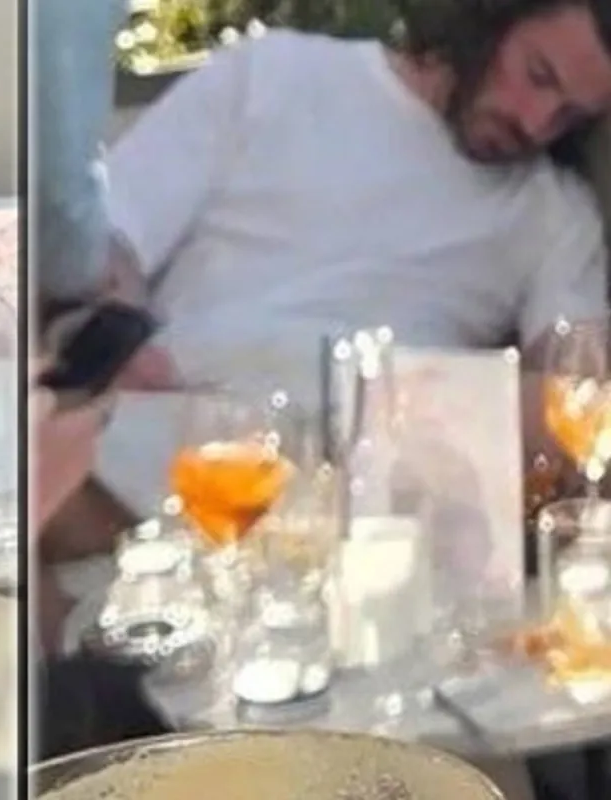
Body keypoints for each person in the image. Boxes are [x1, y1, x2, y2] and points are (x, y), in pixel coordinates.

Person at [50, 0, 611, 544]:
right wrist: (116, 331)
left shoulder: (553, 211)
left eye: (570, 116)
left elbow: (577, 388)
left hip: (374, 479)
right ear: (489, 18)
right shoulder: (274, 74)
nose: (535, 123)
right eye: (538, 75)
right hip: (191, 426)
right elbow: (107, 240)